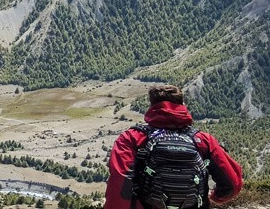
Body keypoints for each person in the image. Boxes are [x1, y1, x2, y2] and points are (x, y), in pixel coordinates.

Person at [105, 85, 244, 209]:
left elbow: (120, 182)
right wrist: (214, 197)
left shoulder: (132, 138)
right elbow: (232, 183)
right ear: (182, 105)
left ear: (152, 106)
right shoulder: (203, 140)